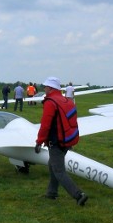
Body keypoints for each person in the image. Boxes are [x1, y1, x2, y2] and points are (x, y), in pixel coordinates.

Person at [35, 76, 88, 206]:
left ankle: (78, 195)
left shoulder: (50, 102)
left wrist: (39, 141)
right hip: (66, 141)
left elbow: (45, 125)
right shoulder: (66, 100)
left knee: (59, 171)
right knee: (52, 164)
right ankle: (51, 193)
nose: (44, 88)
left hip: (56, 142)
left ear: (51, 88)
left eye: (46, 86)